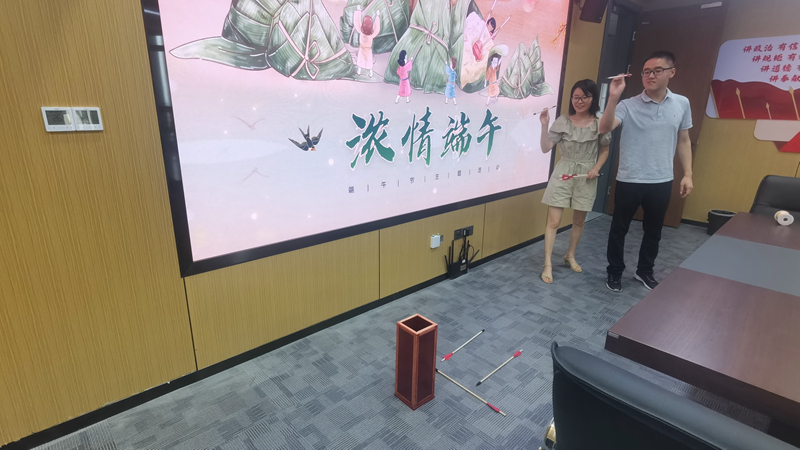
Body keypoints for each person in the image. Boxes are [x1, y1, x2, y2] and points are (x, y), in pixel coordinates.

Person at [600, 50, 693, 292]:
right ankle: (614, 272)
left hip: (662, 180)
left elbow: (684, 140)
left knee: (654, 231)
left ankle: (644, 271)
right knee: (619, 230)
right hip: (629, 178)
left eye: (657, 70)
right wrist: (613, 97)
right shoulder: (627, 105)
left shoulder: (682, 103)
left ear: (671, 72)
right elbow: (605, 128)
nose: (650, 75)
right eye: (646, 72)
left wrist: (688, 174)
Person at [539, 79, 611, 284]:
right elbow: (545, 148)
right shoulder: (563, 121)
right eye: (575, 97)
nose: (579, 101)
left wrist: (596, 168)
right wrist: (544, 126)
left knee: (579, 221)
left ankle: (570, 255)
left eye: (584, 97)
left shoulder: (599, 122)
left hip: (586, 174)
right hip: (563, 172)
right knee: (553, 222)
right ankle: (547, 263)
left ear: (593, 98)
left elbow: (605, 150)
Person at [353, 7, 381, 77]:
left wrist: (358, 10)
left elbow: (357, 22)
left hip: (362, 49)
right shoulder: (372, 34)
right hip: (368, 50)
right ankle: (370, 73)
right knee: (369, 62)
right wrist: (377, 16)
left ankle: (359, 71)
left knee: (360, 61)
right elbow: (377, 27)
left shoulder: (361, 31)